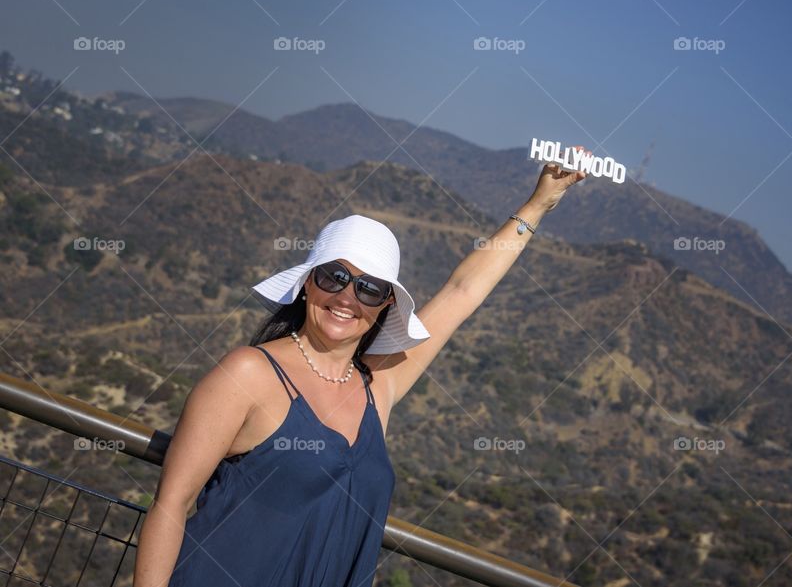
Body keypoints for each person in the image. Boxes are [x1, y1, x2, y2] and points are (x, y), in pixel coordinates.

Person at [133, 163, 588, 587]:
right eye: (334, 277)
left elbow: (462, 291)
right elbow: (170, 506)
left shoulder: (377, 386)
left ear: (387, 304)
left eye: (369, 288)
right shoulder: (249, 374)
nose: (347, 298)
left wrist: (537, 206)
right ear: (307, 281)